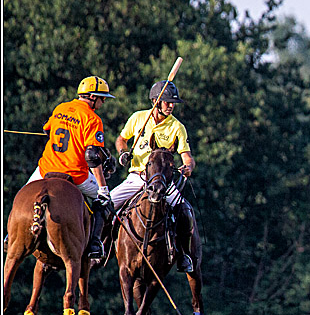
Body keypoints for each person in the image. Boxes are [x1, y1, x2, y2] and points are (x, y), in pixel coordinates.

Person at [109, 80, 199, 274]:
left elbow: (187, 156)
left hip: (162, 183)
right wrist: (123, 152)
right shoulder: (138, 118)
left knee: (185, 211)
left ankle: (183, 254)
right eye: (167, 101)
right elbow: (121, 139)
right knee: (106, 204)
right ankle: (100, 246)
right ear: (155, 102)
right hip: (137, 177)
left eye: (173, 102)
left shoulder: (177, 127)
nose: (171, 105)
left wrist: (188, 167)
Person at [26, 76, 116, 260]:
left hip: (45, 169)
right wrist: (103, 188)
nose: (103, 101)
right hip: (75, 174)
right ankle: (95, 244)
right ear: (91, 97)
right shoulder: (93, 119)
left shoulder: (61, 108)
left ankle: (10, 236)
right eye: (102, 97)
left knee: (24, 196)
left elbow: (47, 129)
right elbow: (92, 156)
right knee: (106, 202)